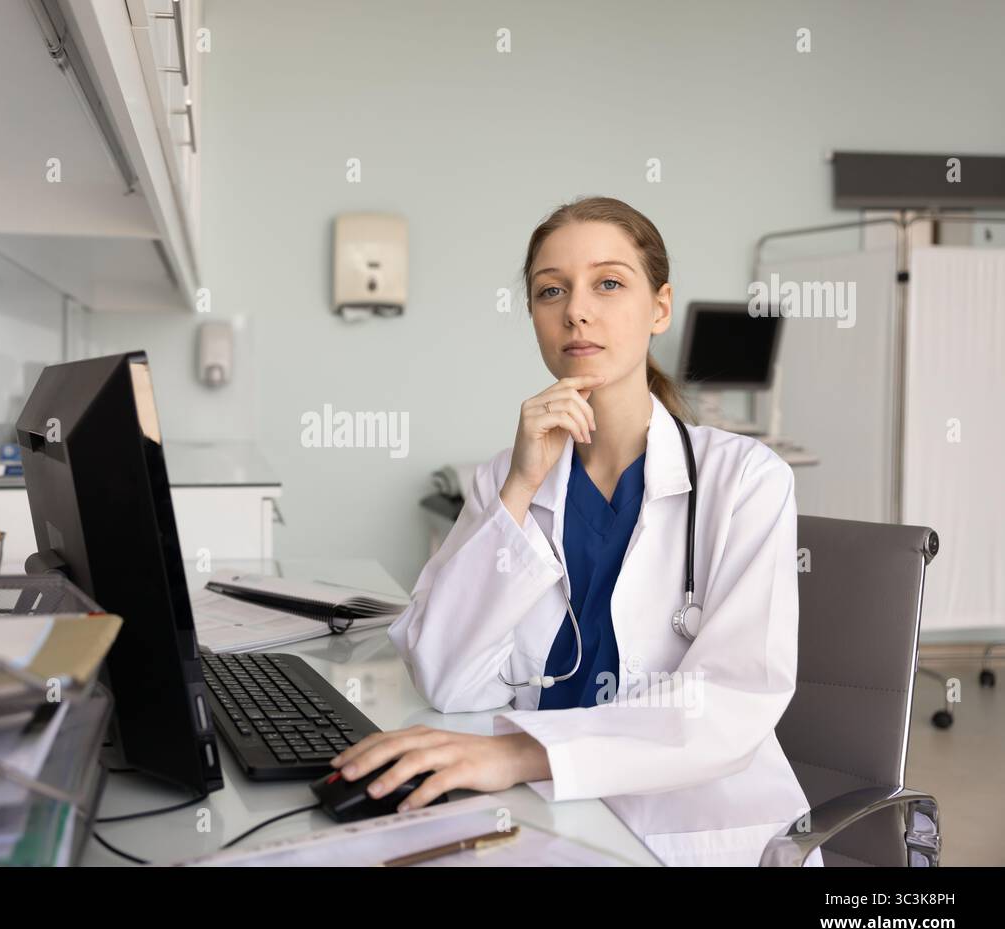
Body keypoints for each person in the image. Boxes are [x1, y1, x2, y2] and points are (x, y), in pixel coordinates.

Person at [332, 196, 821, 866]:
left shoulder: (746, 480)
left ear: (660, 307)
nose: (576, 310)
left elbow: (731, 702)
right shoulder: (508, 476)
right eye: (550, 291)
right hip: (547, 813)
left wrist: (518, 753)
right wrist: (519, 487)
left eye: (609, 283)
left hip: (688, 833)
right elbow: (447, 677)